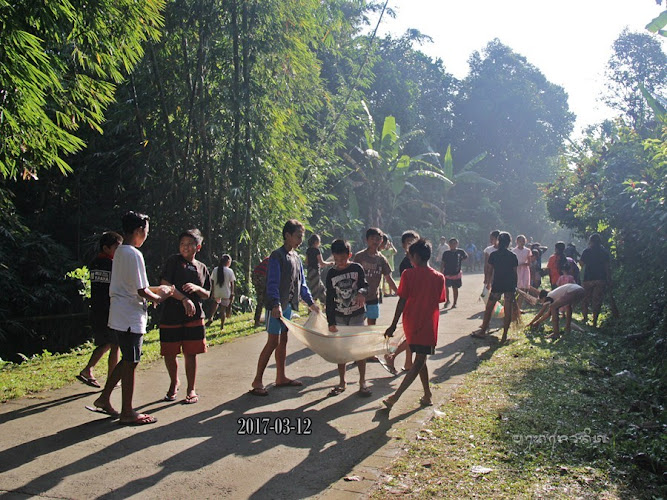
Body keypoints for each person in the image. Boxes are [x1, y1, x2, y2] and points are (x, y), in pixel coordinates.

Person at [91, 211, 173, 425]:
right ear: (138, 231)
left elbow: (134, 286)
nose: (146, 235)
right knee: (131, 361)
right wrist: (160, 297)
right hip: (129, 317)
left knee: (129, 359)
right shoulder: (134, 254)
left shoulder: (120, 252)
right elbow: (142, 290)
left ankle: (104, 398)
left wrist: (157, 292)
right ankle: (127, 411)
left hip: (120, 314)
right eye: (146, 231)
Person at [250, 220, 320, 396]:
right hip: (276, 307)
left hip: (288, 306)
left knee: (283, 340)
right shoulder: (277, 256)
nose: (300, 240)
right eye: (298, 236)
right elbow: (272, 282)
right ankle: (257, 380)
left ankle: (280, 377)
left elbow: (302, 284)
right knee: (273, 341)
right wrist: (275, 304)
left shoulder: (296, 257)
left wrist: (311, 303)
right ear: (287, 235)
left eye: (301, 237)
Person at [382, 239, 446, 410]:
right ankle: (427, 394)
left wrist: (393, 325)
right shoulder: (439, 277)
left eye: (410, 256)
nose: (409, 259)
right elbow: (440, 300)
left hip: (411, 323)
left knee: (419, 360)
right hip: (428, 326)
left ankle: (396, 397)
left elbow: (401, 301)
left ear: (416, 256)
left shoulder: (408, 275)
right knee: (420, 359)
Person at [159, 229, 211, 404]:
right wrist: (183, 298)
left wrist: (197, 289)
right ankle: (174, 383)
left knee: (191, 353)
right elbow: (165, 284)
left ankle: (191, 389)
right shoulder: (173, 261)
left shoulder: (202, 267)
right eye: (182, 244)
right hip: (171, 315)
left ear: (198, 247)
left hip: (194, 317)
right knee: (170, 353)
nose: (185, 247)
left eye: (189, 244)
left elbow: (208, 294)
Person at [77, 231, 123, 388]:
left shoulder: (95, 263)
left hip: (97, 309)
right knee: (114, 343)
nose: (120, 251)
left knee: (106, 343)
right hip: (109, 310)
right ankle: (111, 378)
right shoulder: (112, 265)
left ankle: (88, 370)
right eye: (117, 248)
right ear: (106, 248)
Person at [325, 239, 370, 397]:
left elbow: (365, 285)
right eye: (337, 260)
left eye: (343, 259)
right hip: (339, 316)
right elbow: (329, 299)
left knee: (359, 350)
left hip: (357, 314)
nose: (340, 263)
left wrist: (361, 293)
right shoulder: (331, 273)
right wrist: (330, 322)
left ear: (349, 255)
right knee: (341, 350)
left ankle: (363, 382)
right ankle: (342, 381)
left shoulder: (357, 268)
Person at [473, 232, 518, 342]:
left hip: (497, 283)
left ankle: (483, 331)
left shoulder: (494, 255)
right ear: (509, 243)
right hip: (509, 285)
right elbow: (515, 273)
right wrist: (515, 287)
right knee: (508, 310)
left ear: (498, 241)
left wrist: (488, 283)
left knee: (489, 308)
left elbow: (489, 270)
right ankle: (504, 335)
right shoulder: (512, 256)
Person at [353, 227, 398, 326]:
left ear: (381, 241)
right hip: (359, 297)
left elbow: (388, 278)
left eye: (378, 239)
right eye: (372, 238)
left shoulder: (382, 259)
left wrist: (399, 292)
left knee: (371, 325)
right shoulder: (359, 257)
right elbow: (352, 276)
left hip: (373, 297)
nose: (375, 241)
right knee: (357, 324)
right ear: (367, 240)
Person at [580, 233, 611, 327]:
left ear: (590, 241)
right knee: (597, 301)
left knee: (585, 299)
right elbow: (607, 267)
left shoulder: (586, 251)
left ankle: (585, 318)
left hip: (588, 279)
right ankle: (594, 321)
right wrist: (609, 279)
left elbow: (581, 263)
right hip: (601, 279)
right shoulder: (604, 252)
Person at [207, 254, 235, 330]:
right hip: (226, 292)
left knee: (215, 304)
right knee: (223, 310)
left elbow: (212, 282)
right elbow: (232, 283)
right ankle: (222, 326)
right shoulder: (230, 271)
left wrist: (212, 292)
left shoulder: (215, 269)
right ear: (228, 262)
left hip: (217, 292)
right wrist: (232, 292)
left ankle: (210, 318)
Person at [441, 238, 468, 309]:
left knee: (455, 288)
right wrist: (441, 272)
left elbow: (466, 257)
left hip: (456, 273)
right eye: (451, 243)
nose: (453, 245)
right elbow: (443, 262)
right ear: (449, 244)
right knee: (446, 287)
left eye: (454, 243)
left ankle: (455, 302)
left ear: (457, 244)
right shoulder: (446, 253)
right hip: (447, 272)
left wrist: (460, 261)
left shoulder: (460, 252)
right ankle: (447, 300)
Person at [305, 234, 332, 303]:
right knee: (315, 291)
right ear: (316, 242)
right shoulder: (316, 250)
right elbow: (322, 263)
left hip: (310, 272)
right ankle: (311, 308)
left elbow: (306, 262)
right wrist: (330, 263)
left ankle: (327, 303)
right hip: (315, 272)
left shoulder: (308, 250)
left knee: (321, 289)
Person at [511, 235, 532, 311]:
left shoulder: (527, 251)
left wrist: (522, 264)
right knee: (516, 289)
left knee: (523, 290)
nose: (521, 243)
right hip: (516, 270)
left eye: (523, 241)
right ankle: (514, 306)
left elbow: (529, 263)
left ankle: (518, 308)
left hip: (525, 271)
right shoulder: (513, 251)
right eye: (520, 241)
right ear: (517, 242)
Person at [252, 256, 270, 327]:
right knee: (262, 300)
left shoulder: (268, 259)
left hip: (257, 277)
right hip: (261, 277)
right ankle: (257, 321)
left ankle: (259, 320)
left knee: (262, 300)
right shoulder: (273, 260)